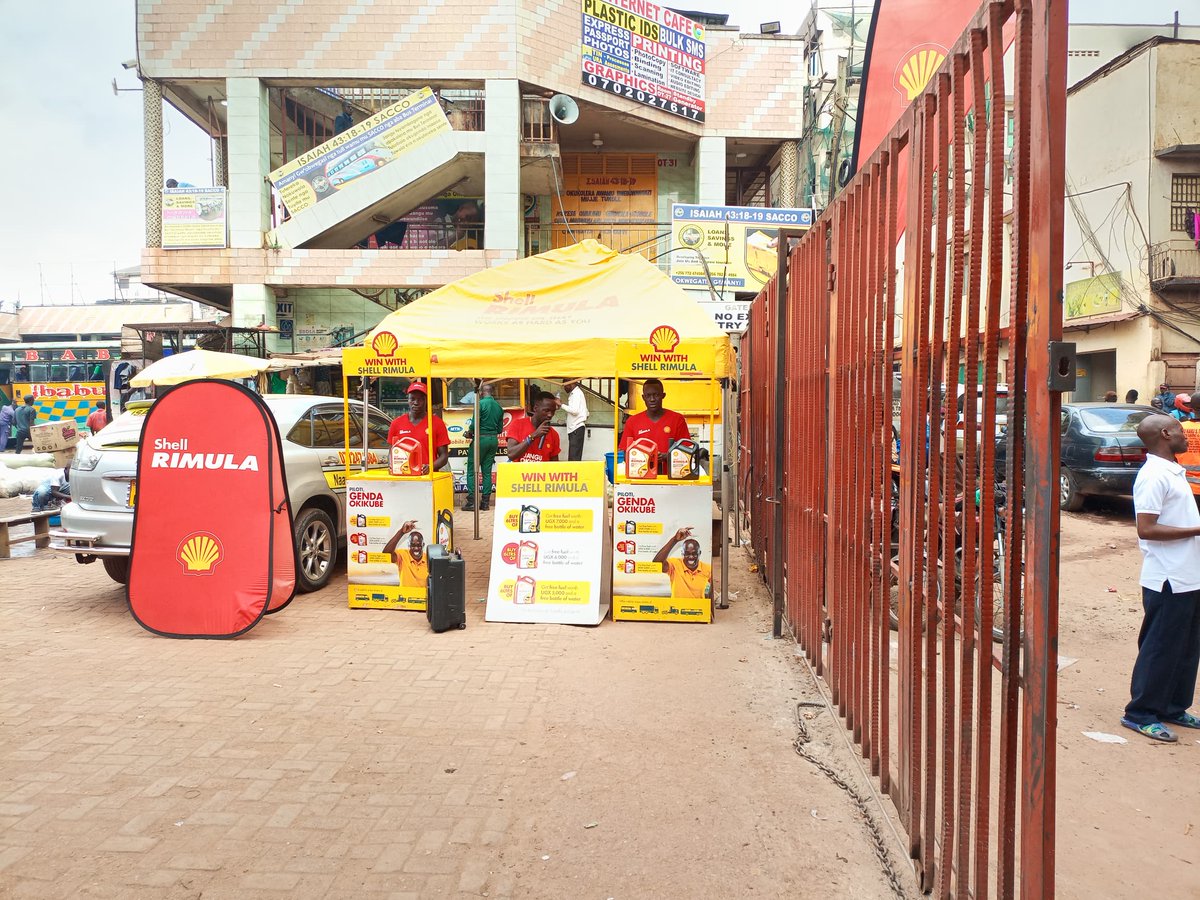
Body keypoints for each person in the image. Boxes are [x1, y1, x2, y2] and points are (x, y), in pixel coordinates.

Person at [1121, 413, 1200, 742]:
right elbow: (1147, 529)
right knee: (1160, 647)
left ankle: (1172, 706)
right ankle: (1140, 713)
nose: (1186, 435)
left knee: (1186, 647)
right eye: (1181, 430)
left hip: (1189, 575)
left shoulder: (1173, 470)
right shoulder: (1154, 475)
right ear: (1166, 434)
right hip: (1167, 578)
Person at [619, 378, 691, 464]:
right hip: (641, 474)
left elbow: (687, 451)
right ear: (643, 397)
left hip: (670, 476)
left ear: (663, 395)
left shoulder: (677, 419)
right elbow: (626, 453)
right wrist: (645, 457)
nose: (652, 399)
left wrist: (667, 456)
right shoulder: (632, 422)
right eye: (648, 396)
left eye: (656, 395)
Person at [387, 382, 450, 473]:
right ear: (408, 400)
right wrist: (392, 465)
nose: (416, 403)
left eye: (420, 399)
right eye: (412, 399)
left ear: (426, 401)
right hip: (403, 477)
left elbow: (444, 456)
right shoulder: (396, 423)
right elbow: (391, 451)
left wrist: (430, 467)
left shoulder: (437, 423)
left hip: (428, 478)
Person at [463, 381, 504, 511]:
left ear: (481, 392)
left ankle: (472, 501)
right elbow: (499, 429)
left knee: (471, 470)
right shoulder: (498, 407)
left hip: (480, 440)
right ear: (492, 392)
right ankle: (485, 503)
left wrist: (469, 433)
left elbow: (474, 424)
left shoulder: (480, 404)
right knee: (487, 472)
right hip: (493, 441)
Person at [653, 526, 712, 599]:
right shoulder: (675, 564)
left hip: (698, 608)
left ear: (699, 553)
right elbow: (657, 564)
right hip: (677, 608)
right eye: (687, 553)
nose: (691, 557)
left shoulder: (707, 568)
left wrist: (710, 607)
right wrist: (675, 539)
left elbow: (714, 587)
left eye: (694, 553)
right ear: (682, 554)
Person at [506, 392, 560, 462]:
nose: (550, 415)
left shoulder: (554, 434)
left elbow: (555, 465)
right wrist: (533, 436)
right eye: (546, 410)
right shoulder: (518, 424)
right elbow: (511, 454)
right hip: (519, 472)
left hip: (541, 472)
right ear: (535, 408)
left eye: (553, 411)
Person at [382, 520, 427, 589]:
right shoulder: (403, 555)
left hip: (423, 598)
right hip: (405, 598)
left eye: (419, 545)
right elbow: (386, 555)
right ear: (408, 545)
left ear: (423, 545)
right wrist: (401, 532)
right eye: (413, 545)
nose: (416, 548)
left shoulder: (428, 558)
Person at [558, 378, 589, 462]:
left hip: (576, 429)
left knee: (573, 458)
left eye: (565, 386)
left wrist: (561, 405)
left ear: (569, 384)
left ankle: (575, 474)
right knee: (574, 456)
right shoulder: (577, 393)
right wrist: (566, 421)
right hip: (576, 428)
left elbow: (575, 411)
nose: (564, 388)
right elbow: (586, 413)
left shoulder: (576, 394)